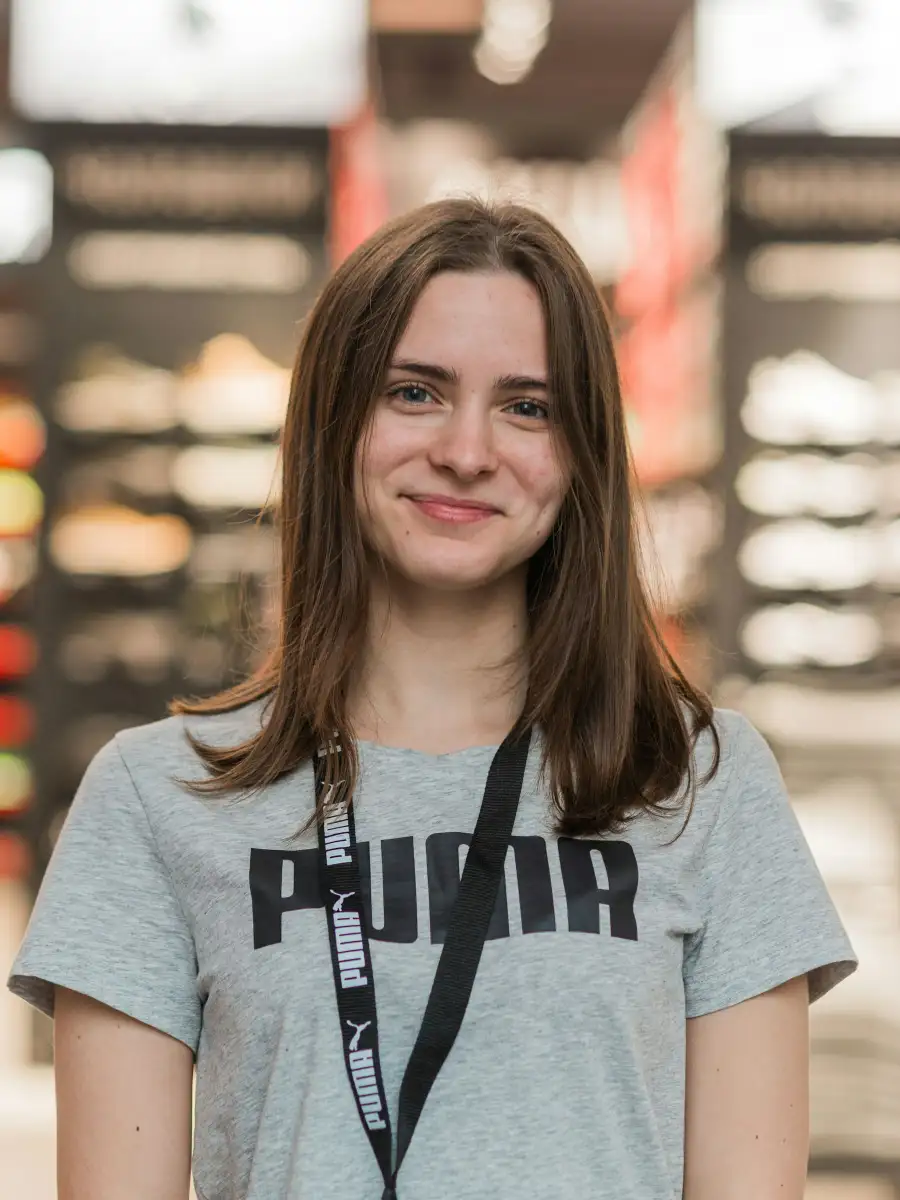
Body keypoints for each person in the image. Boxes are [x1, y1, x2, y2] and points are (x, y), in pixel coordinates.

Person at [8, 199, 856, 1200]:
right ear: (334, 420)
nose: (466, 450)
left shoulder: (701, 779)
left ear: (582, 452)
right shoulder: (157, 797)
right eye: (415, 392)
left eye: (528, 407)